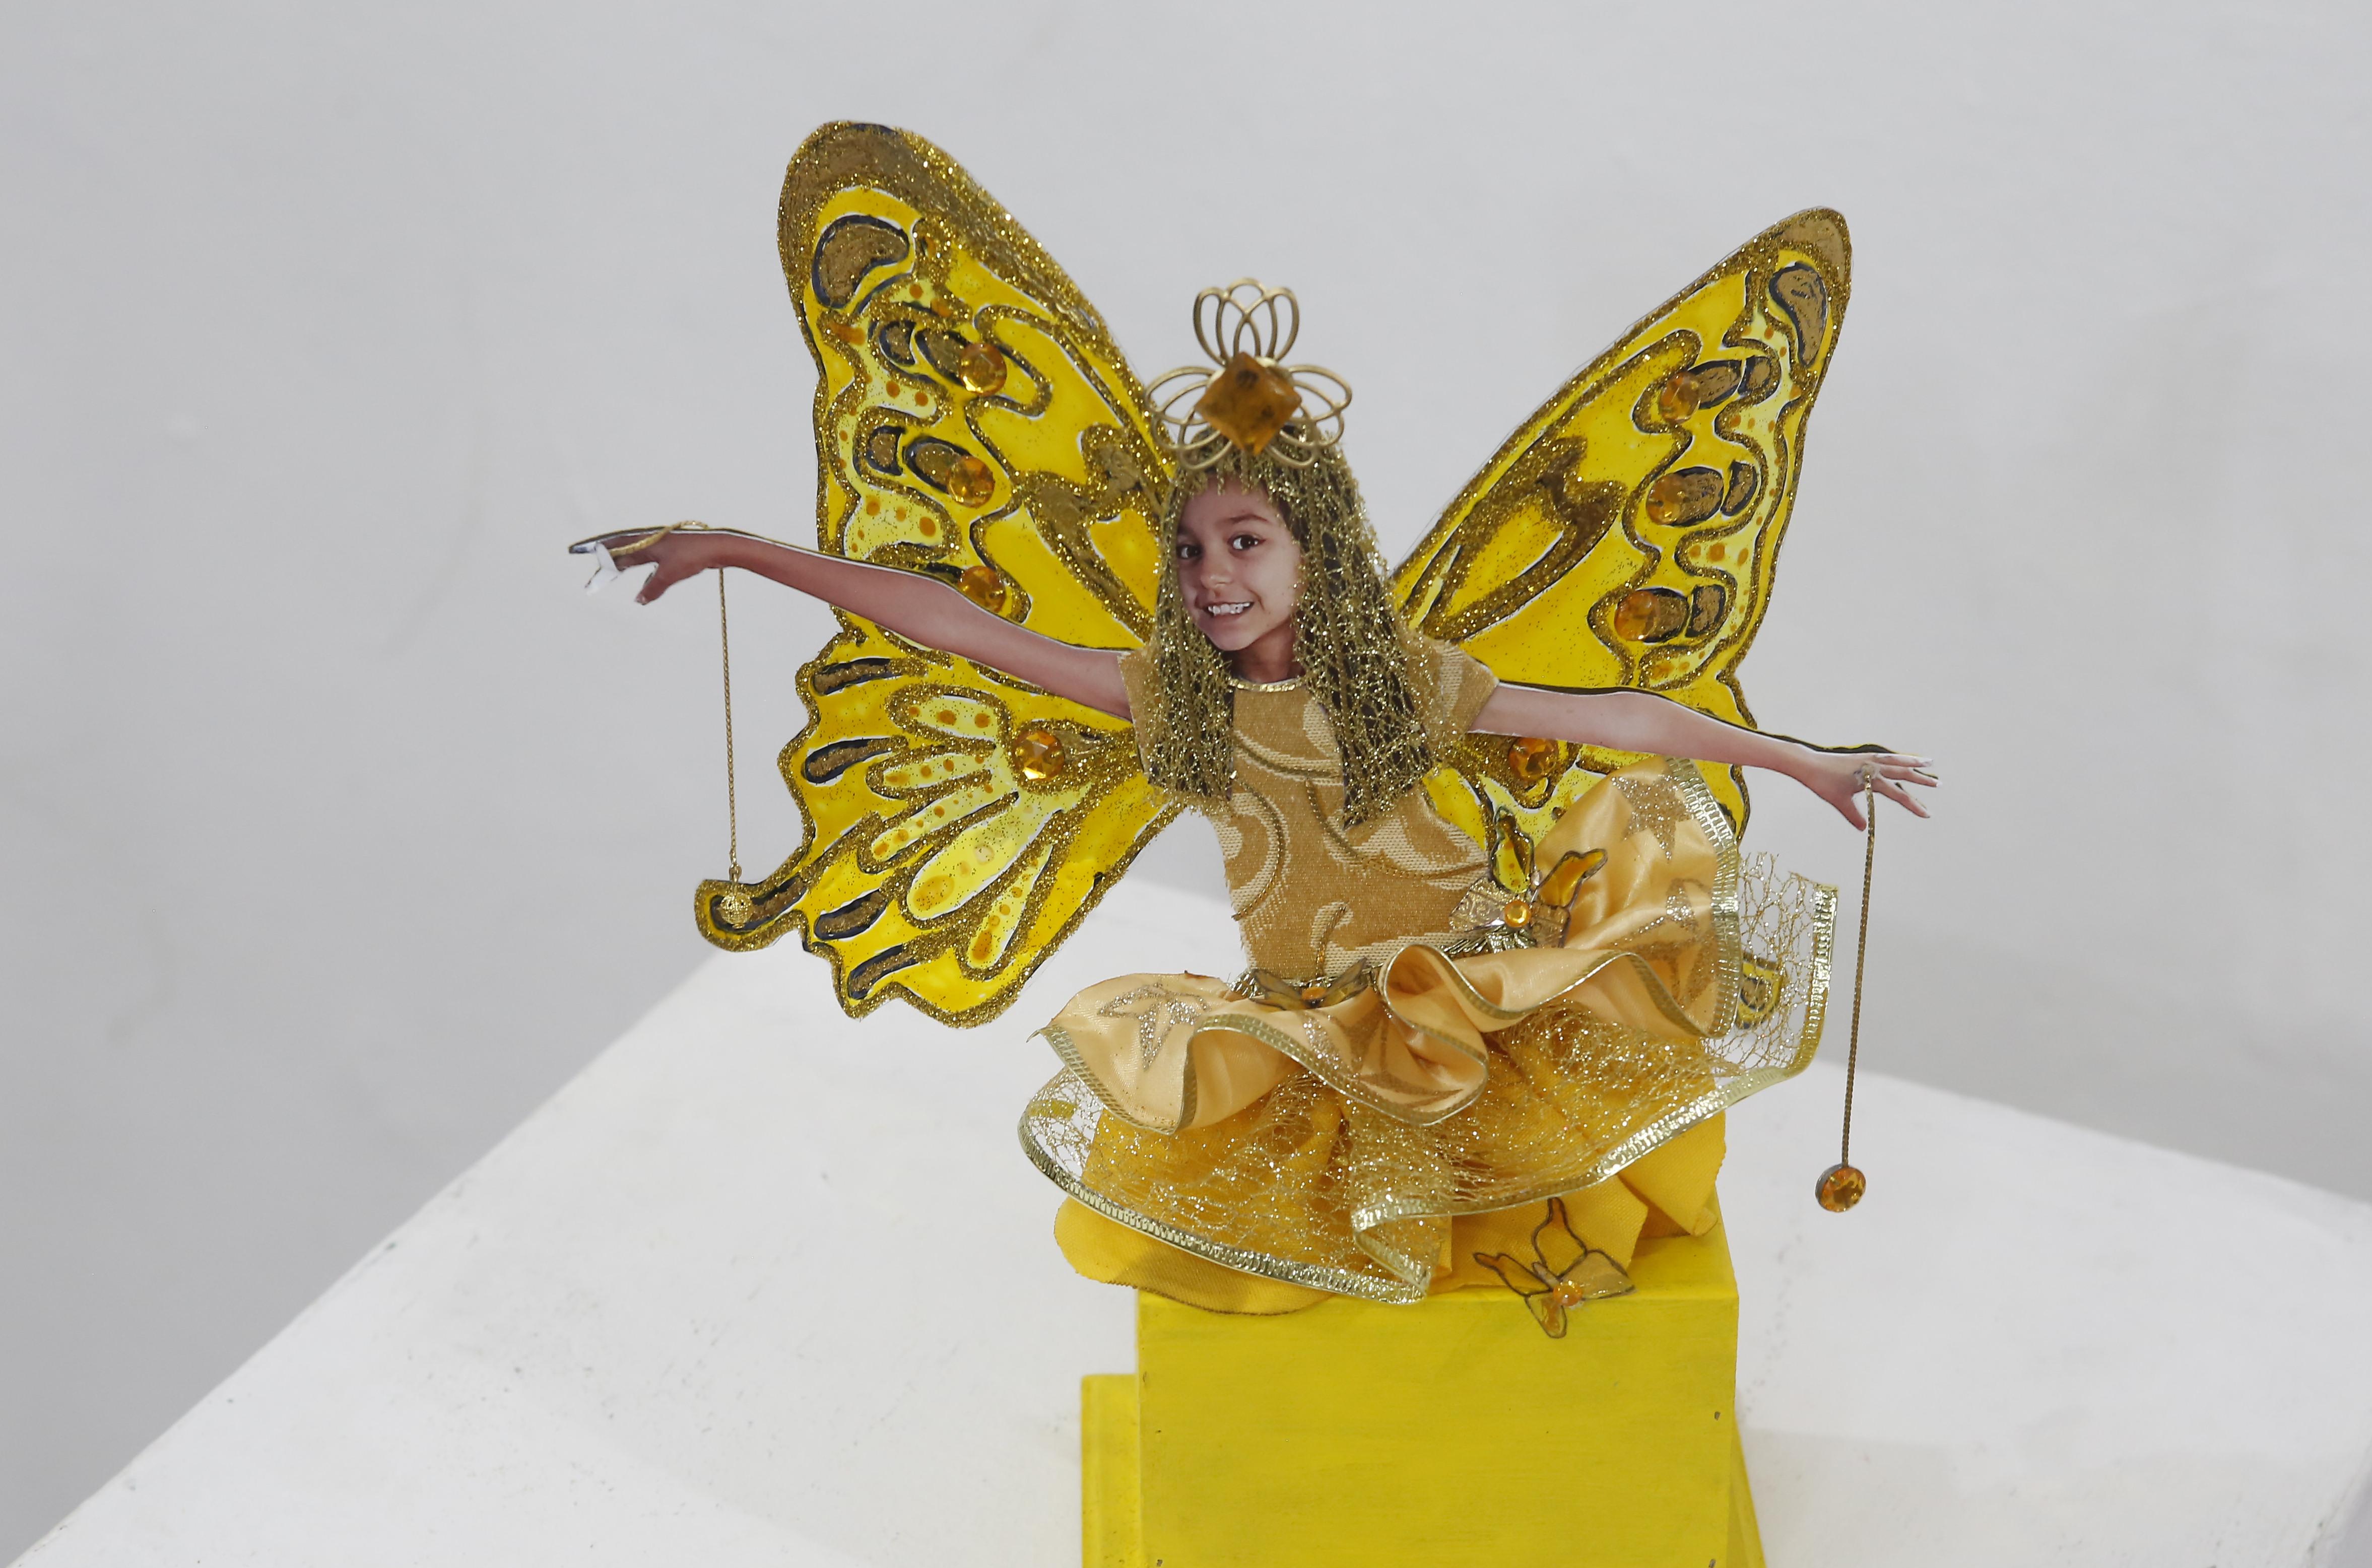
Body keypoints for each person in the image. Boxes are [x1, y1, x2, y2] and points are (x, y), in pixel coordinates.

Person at [591, 334, 1931, 1318]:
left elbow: (1619, 718)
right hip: (1315, 1018)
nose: (1212, 576)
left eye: (1245, 543)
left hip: (1476, 995)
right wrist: (739, 551)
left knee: (1525, 1204)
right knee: (1348, 1237)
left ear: (1314, 553)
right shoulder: (1172, 699)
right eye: (1190, 551)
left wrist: (1799, 760)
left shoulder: (1408, 683)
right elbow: (957, 623)